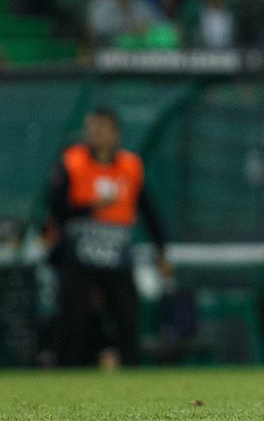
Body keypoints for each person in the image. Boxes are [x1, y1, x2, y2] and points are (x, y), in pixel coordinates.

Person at [45, 107, 170, 366]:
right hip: (79, 256)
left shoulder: (131, 166)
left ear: (115, 133)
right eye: (91, 128)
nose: (95, 134)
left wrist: (162, 252)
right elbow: (55, 207)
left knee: (127, 316)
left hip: (116, 255)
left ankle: (130, 371)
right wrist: (92, 207)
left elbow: (149, 212)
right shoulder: (73, 161)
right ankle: (66, 373)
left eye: (102, 128)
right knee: (73, 320)